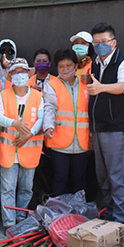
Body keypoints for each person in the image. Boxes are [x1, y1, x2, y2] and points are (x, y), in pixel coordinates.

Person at [88, 22, 124, 225]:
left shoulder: (123, 62)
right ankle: (107, 212)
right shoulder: (95, 62)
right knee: (103, 176)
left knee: (117, 176)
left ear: (113, 42)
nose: (100, 45)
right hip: (98, 128)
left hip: (116, 128)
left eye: (104, 41)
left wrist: (101, 88)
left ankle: (120, 220)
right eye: (96, 42)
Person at [0, 58, 44, 230]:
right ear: (11, 76)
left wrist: (29, 134)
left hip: (29, 151)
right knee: (7, 188)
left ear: (28, 75)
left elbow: (41, 118)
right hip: (8, 152)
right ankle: (9, 224)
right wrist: (14, 123)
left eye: (23, 71)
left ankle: (21, 219)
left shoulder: (38, 96)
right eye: (16, 72)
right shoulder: (4, 95)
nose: (20, 75)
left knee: (26, 188)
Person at [42, 49, 91, 196]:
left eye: (69, 65)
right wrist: (48, 126)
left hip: (82, 142)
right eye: (61, 66)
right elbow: (49, 107)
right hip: (59, 142)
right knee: (60, 179)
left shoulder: (85, 83)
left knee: (80, 180)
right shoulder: (52, 84)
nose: (65, 69)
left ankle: (78, 215)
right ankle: (58, 213)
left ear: (76, 66)